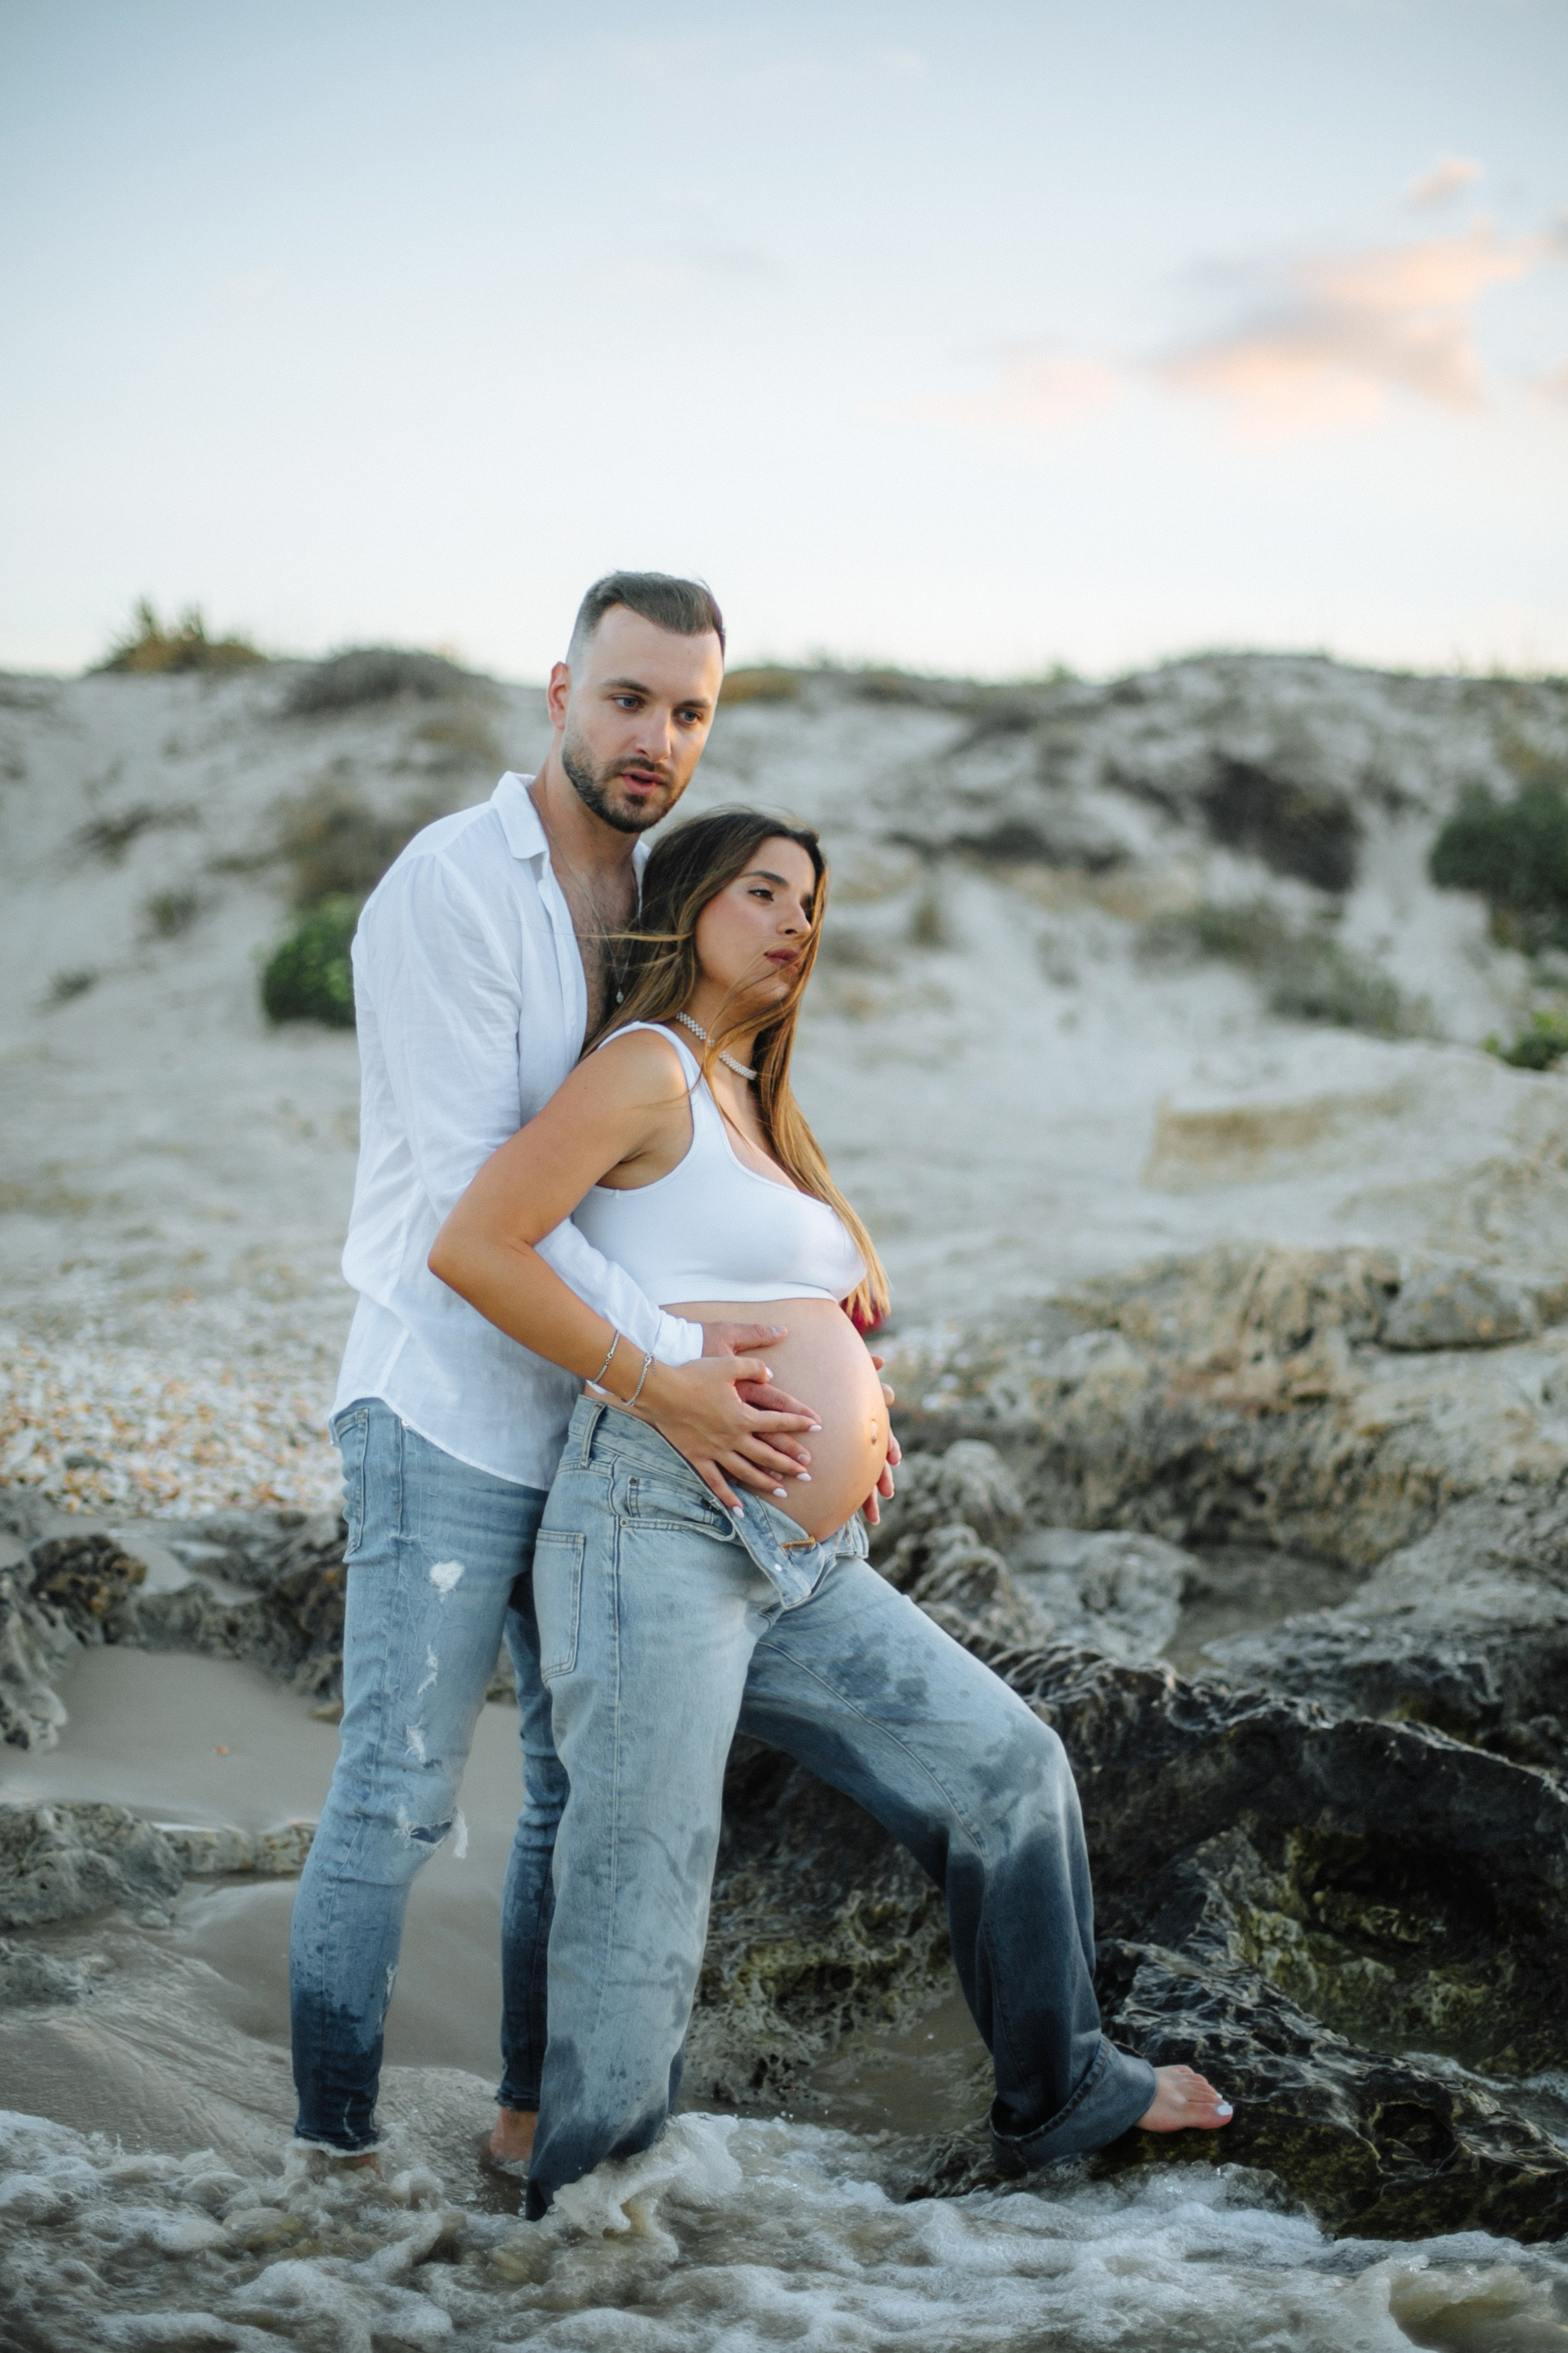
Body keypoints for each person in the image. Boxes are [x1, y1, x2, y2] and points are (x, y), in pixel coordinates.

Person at [429, 806, 1234, 2218]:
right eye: (764, 892)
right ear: (687, 907)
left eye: (811, 900)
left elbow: (780, 1301)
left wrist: (855, 1410)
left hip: (800, 1556)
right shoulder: (645, 1070)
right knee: (645, 1890)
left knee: (1006, 1768)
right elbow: (475, 1245)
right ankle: (589, 2224)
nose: (798, 920)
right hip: (654, 1524)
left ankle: (1061, 2092)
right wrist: (664, 1386)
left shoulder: (751, 1097)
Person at [289, 573, 881, 2168]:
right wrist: (692, 1357)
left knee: (565, 1790)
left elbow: (693, 1128)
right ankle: (324, 2161)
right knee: (398, 1798)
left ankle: (524, 2126)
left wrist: (825, 1276)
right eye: (628, 700)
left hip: (598, 1428)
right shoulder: (453, 891)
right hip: (447, 1408)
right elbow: (456, 1215)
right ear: (557, 691)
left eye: (689, 711)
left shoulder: (658, 888)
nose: (656, 738)